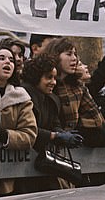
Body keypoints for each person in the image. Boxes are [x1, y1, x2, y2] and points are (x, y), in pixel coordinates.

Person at [21, 54, 81, 191]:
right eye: (48, 77)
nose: (53, 82)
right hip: (24, 170)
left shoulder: (52, 99)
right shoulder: (24, 95)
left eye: (54, 78)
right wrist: (55, 136)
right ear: (36, 77)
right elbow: (29, 130)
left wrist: (63, 134)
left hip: (46, 166)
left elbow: (55, 123)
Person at [0, 41, 38, 196]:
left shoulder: (22, 97)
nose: (7, 62)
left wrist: (4, 135)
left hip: (9, 178)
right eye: (1, 58)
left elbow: (29, 135)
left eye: (10, 60)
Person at [44, 37, 105, 148]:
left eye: (75, 54)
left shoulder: (79, 88)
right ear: (55, 56)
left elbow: (97, 125)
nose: (74, 59)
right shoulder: (43, 86)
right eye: (69, 54)